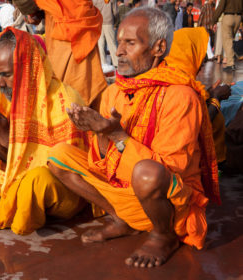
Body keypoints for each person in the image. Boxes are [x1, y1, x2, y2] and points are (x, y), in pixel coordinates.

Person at [47, 8, 219, 268]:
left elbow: (171, 169)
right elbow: (103, 164)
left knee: (146, 173)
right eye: (119, 42)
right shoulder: (114, 92)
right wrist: (100, 134)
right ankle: (121, 220)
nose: (118, 51)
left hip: (166, 203)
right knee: (57, 156)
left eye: (130, 43)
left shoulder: (180, 96)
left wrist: (116, 134)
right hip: (124, 192)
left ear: (158, 47)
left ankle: (164, 235)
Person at [0, 28, 89, 234]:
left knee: (37, 181)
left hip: (60, 188)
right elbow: (8, 160)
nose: (0, 83)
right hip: (16, 178)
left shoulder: (66, 99)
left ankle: (4, 199)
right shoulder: (8, 97)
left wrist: (5, 139)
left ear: (30, 69)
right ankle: (10, 197)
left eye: (7, 75)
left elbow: (66, 171)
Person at [13, 0, 107, 108]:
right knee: (87, 87)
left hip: (62, 31)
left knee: (67, 95)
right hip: (78, 24)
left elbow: (24, 3)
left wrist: (30, 12)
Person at [165, 27, 230, 166]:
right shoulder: (180, 89)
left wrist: (209, 92)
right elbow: (197, 125)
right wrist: (216, 98)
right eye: (198, 54)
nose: (202, 63)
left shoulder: (173, 76)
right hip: (191, 165)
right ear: (187, 53)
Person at [213, 0, 243, 71]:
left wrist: (214, 20)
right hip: (238, 18)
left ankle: (230, 63)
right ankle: (230, 59)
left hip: (228, 17)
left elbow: (220, 7)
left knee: (227, 41)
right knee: (230, 40)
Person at [93, 0, 118, 68]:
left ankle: (103, 63)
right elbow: (115, 12)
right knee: (112, 44)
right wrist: (115, 21)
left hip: (99, 22)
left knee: (101, 44)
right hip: (109, 22)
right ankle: (116, 63)